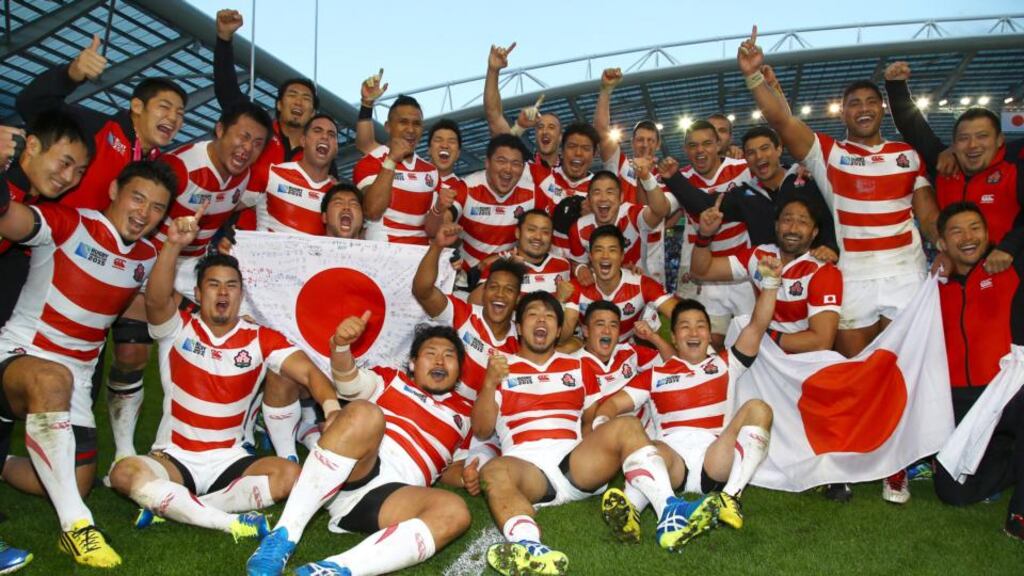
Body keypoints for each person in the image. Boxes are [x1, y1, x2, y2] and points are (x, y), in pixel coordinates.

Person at [739, 26, 941, 503]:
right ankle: (851, 456)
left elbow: (927, 212)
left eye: (872, 101)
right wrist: (753, 78)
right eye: (854, 103)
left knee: (901, 372)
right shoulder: (830, 154)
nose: (864, 109)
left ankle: (899, 465)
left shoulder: (907, 155)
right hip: (855, 276)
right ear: (844, 112)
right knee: (851, 370)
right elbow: (783, 122)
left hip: (907, 273)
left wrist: (942, 243)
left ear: (883, 108)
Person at [109, 210, 337, 540]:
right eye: (213, 285)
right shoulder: (177, 328)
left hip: (230, 460)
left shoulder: (261, 337)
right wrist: (173, 244)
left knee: (289, 475)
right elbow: (157, 298)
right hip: (175, 457)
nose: (223, 293)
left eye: (231, 286)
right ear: (199, 294)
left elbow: (310, 373)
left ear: (241, 294)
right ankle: (228, 522)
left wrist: (331, 408)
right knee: (123, 472)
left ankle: (179, 506)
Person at [0, 160, 176, 568]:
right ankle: (77, 528)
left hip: (75, 382)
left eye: (157, 208)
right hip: (18, 358)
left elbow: (160, 307)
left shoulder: (148, 254)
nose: (144, 213)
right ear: (114, 190)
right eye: (137, 197)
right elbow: (11, 219)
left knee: (73, 481)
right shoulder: (69, 223)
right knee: (52, 376)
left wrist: (173, 249)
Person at [475, 292, 719, 576]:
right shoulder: (499, 367)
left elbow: (592, 421)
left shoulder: (578, 367)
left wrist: (607, 447)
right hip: (526, 469)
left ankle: (669, 510)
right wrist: (490, 384)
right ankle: (531, 549)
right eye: (533, 315)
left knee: (626, 424)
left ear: (559, 328)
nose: (541, 320)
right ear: (518, 326)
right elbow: (482, 430)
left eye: (550, 316)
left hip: (575, 465)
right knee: (493, 471)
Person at [106, 101, 273, 464]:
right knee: (132, 354)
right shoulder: (179, 167)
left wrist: (222, 235)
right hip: (153, 264)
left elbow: (227, 212)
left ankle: (236, 438)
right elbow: (139, 212)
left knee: (244, 338)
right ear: (219, 130)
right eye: (242, 136)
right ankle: (123, 453)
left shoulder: (242, 177)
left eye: (258, 143)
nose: (247, 148)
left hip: (195, 271)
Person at [245, 319, 473, 576]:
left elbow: (452, 469)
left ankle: (334, 570)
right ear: (412, 362)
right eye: (431, 354)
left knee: (455, 512)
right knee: (365, 413)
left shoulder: (467, 415)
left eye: (448, 356)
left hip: (391, 497)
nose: (440, 361)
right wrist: (340, 347)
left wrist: (467, 477)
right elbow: (349, 383)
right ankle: (282, 536)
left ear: (459, 369)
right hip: (354, 470)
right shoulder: (391, 379)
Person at [594, 278, 779, 536]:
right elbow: (613, 403)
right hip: (672, 463)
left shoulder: (727, 363)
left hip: (715, 459)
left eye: (700, 326)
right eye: (685, 327)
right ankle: (631, 512)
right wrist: (601, 425)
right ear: (674, 336)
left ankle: (730, 498)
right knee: (643, 444)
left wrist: (770, 282)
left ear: (708, 332)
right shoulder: (655, 373)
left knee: (759, 408)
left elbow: (758, 326)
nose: (693, 333)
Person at [931, 202, 1024, 540]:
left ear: (988, 235)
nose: (968, 237)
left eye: (975, 228)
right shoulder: (932, 285)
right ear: (942, 242)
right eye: (957, 231)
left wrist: (1009, 248)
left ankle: (1020, 513)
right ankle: (1012, 462)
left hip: (1007, 392)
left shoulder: (1010, 269)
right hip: (960, 403)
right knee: (951, 493)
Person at [15, 34, 186, 210]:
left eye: (180, 114)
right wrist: (70, 75)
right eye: (165, 107)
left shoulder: (156, 169)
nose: (173, 118)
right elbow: (30, 104)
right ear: (137, 106)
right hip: (33, 227)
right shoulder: (95, 127)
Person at [413, 223, 524, 482]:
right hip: (440, 406)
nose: (500, 294)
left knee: (487, 456)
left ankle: (463, 473)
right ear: (483, 292)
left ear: (518, 299)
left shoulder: (519, 343)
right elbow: (422, 290)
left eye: (509, 290)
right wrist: (437, 246)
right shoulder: (462, 314)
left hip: (479, 422)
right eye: (494, 287)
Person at [885, 60, 1023, 263]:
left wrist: (1009, 248)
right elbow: (913, 128)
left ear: (1000, 140)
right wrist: (896, 86)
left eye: (982, 136)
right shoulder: (945, 166)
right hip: (957, 277)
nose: (973, 145)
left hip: (1010, 274)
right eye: (963, 139)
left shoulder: (1014, 169)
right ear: (954, 144)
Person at [690, 196, 842, 353]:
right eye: (787, 220)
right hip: (764, 353)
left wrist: (761, 335)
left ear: (814, 232)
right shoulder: (759, 256)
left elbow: (821, 342)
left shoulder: (823, 270)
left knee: (741, 330)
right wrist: (704, 235)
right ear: (776, 225)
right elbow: (701, 272)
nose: (793, 229)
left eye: (802, 222)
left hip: (801, 363)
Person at [663, 126, 838, 258]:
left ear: (778, 149)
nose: (759, 157)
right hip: (770, 282)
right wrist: (673, 178)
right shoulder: (745, 195)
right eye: (751, 153)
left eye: (764, 148)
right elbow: (705, 205)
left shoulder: (807, 180)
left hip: (815, 272)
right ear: (746, 159)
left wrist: (830, 246)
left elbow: (832, 215)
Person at [214, 8, 318, 230]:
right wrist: (224, 39)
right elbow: (227, 90)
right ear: (279, 105)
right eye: (292, 96)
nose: (299, 102)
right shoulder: (258, 130)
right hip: (235, 235)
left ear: (313, 113)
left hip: (288, 247)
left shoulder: (318, 154)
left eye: (306, 99)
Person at [0, 113, 92, 327]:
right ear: (32, 146)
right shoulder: (8, 186)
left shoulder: (37, 209)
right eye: (65, 163)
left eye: (80, 171)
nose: (69, 178)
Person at [674, 120, 754, 350]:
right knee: (711, 342)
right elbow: (660, 208)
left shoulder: (743, 168)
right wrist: (649, 178)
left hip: (743, 275)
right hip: (708, 278)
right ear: (685, 149)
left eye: (707, 143)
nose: (700, 150)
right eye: (693, 145)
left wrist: (800, 169)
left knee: (752, 341)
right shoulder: (681, 179)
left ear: (719, 144)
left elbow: (775, 178)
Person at [447, 134, 553, 269]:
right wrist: (444, 220)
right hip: (467, 276)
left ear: (523, 167)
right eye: (501, 161)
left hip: (511, 274)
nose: (508, 169)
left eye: (516, 164)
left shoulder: (533, 194)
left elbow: (546, 234)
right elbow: (444, 219)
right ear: (487, 163)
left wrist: (500, 258)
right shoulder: (467, 187)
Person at [354, 94, 445, 244]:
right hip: (383, 255)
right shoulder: (370, 162)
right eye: (403, 122)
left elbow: (432, 231)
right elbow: (372, 211)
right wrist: (391, 160)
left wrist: (439, 209)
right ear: (388, 127)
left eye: (417, 124)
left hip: (419, 259)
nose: (411, 129)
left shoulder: (431, 172)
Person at [566, 226, 678, 343]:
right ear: (590, 257)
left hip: (627, 353)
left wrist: (655, 338)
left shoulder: (641, 284)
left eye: (612, 250)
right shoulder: (576, 287)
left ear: (622, 256)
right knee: (569, 346)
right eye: (599, 250)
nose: (605, 256)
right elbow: (561, 336)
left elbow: (680, 315)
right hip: (589, 352)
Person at [241, 114, 339, 235]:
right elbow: (228, 206)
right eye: (317, 131)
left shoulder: (338, 194)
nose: (325, 136)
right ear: (303, 141)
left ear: (336, 148)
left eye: (331, 134)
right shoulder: (269, 174)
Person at [567, 170, 670, 278]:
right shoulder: (578, 229)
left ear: (621, 197)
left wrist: (646, 177)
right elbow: (578, 264)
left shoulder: (633, 215)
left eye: (610, 192)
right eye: (597, 192)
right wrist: (580, 269)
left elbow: (660, 211)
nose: (603, 198)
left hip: (645, 285)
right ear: (588, 199)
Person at [485, 42, 563, 170]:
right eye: (540, 127)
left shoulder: (571, 174)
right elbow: (494, 116)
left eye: (551, 127)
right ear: (535, 135)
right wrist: (493, 71)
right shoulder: (523, 165)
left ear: (560, 136)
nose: (545, 131)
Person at [469, 208, 572, 297]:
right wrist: (511, 272)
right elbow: (474, 302)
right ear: (518, 233)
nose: (538, 237)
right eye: (531, 230)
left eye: (545, 232)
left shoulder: (563, 265)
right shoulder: (498, 265)